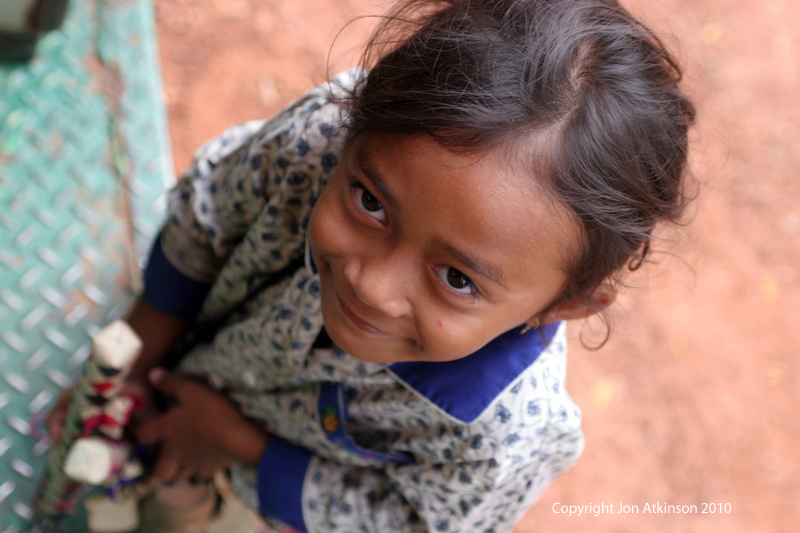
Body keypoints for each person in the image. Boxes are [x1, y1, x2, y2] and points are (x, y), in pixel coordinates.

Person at [46, 0, 695, 531]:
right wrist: (130, 361)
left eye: (457, 278)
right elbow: (206, 216)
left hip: (273, 493)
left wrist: (240, 446)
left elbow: (413, 524)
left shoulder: (502, 434)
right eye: (369, 203)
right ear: (355, 127)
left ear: (563, 306)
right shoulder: (318, 140)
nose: (371, 284)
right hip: (189, 351)